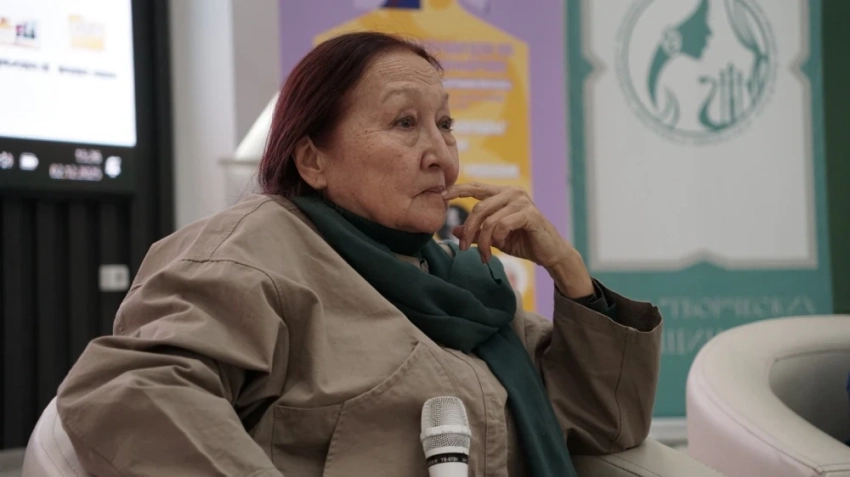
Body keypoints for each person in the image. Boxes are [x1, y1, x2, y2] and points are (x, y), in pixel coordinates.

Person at [56, 31, 662, 477]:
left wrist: (569, 272)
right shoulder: (254, 248)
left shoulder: (463, 284)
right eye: (404, 123)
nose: (441, 155)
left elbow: (605, 424)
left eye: (445, 124)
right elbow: (134, 392)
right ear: (312, 160)